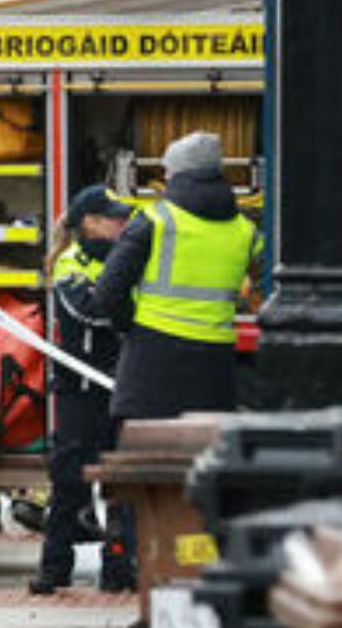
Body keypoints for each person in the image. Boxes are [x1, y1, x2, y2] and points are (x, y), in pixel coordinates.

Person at [81, 131, 260, 420]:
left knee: (147, 457)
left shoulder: (155, 221)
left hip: (152, 364)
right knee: (205, 457)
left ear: (176, 174)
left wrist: (130, 327)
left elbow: (107, 293)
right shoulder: (245, 229)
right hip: (216, 365)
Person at [29, 185, 134, 596]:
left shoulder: (128, 259)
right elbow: (90, 313)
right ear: (89, 222)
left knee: (122, 484)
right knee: (68, 483)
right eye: (113, 216)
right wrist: (123, 305)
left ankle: (119, 569)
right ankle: (54, 570)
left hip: (121, 386)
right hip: (79, 389)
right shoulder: (70, 262)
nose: (122, 222)